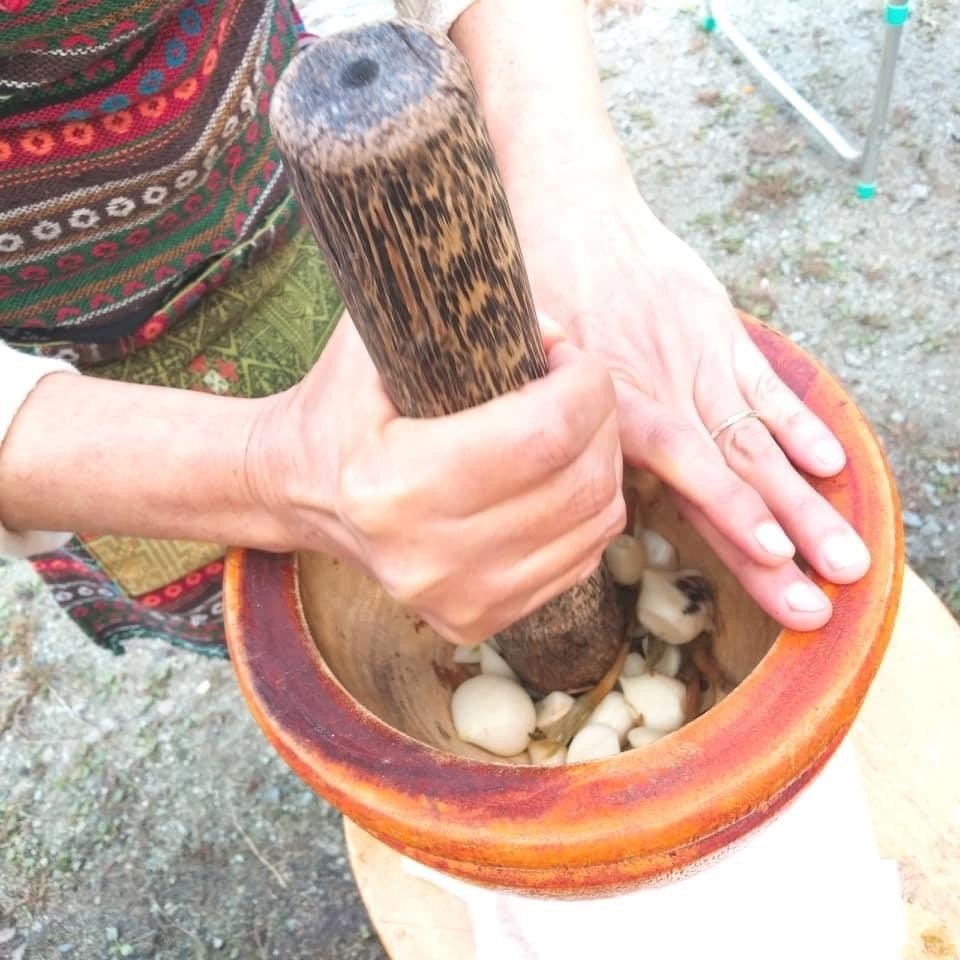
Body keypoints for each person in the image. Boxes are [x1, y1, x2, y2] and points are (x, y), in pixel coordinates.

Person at [0, 0, 870, 659]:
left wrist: (564, 181)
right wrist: (271, 468)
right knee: (285, 620)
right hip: (97, 415)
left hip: (342, 224)